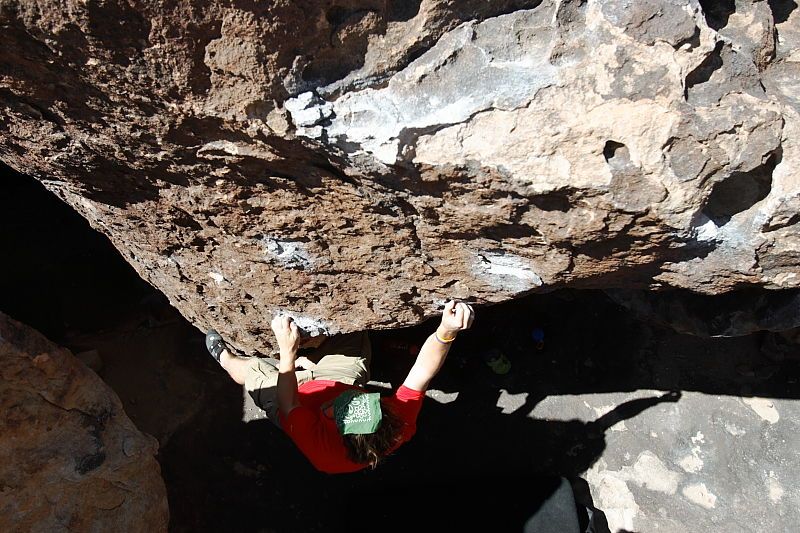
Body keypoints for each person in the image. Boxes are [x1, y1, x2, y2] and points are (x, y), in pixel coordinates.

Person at [205, 300, 475, 474]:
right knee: (354, 330)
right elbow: (422, 372)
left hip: (295, 402)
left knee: (254, 374)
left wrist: (287, 352)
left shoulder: (323, 452)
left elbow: (289, 402)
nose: (333, 401)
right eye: (356, 398)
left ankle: (224, 358)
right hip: (340, 376)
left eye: (335, 409)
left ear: (339, 432)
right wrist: (446, 331)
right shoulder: (397, 421)